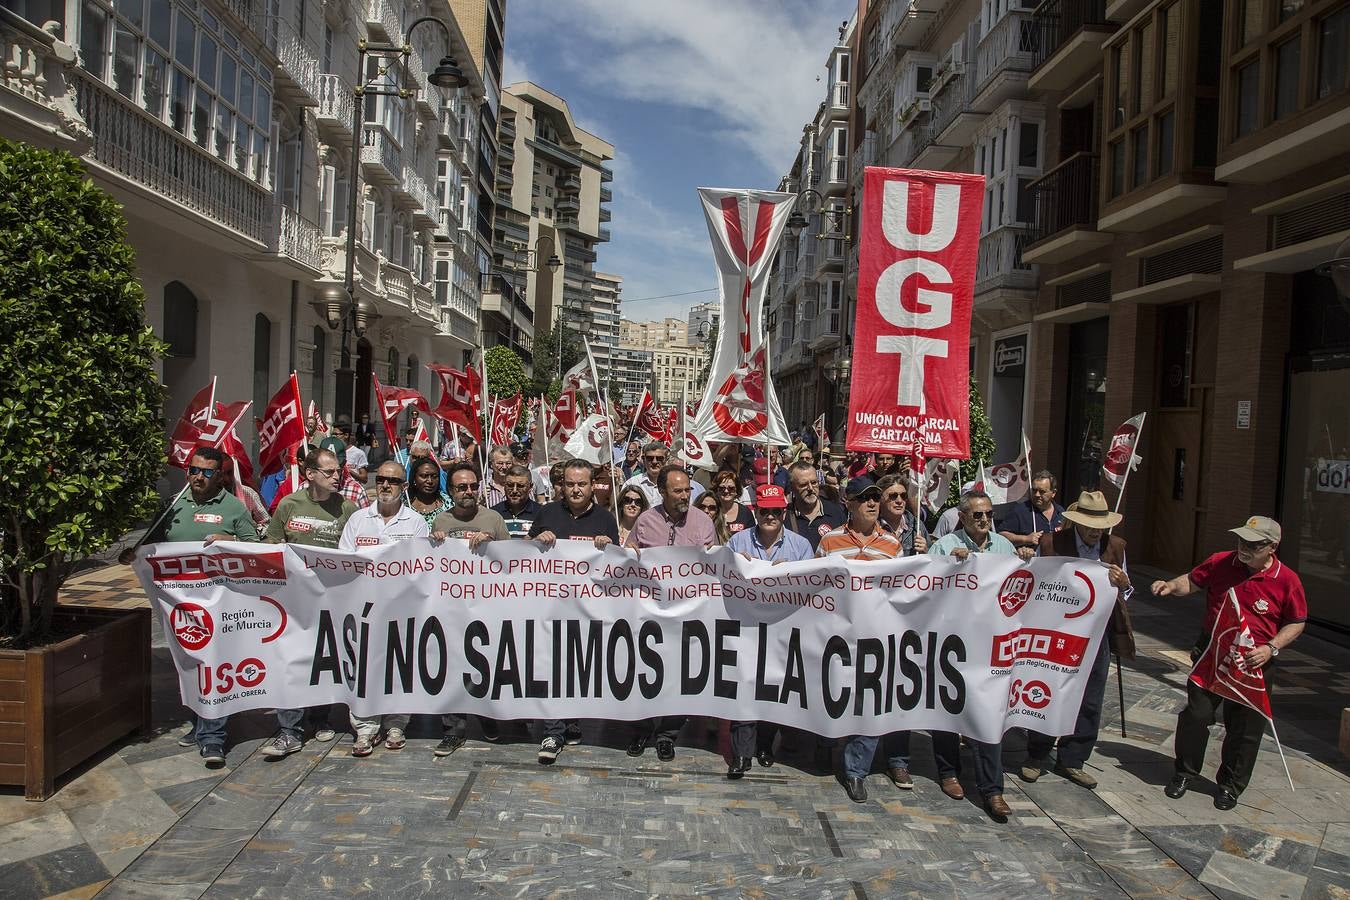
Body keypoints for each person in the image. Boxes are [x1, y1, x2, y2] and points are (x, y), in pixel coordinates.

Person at [1152, 516, 1307, 810]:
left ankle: (1230, 785)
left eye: (1253, 544)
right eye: (1241, 541)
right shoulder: (1222, 562)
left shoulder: (1287, 580)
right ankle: (1185, 772)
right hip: (1212, 652)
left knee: (1245, 727)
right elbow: (1192, 581)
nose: (1243, 548)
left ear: (1272, 547)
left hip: (1253, 660)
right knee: (1196, 715)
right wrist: (1170, 586)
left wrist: (1271, 648)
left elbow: (1297, 622)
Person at [120, 446, 259, 768]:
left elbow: (256, 546)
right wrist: (132, 555)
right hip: (181, 606)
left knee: (212, 663)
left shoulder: (234, 508)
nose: (199, 476)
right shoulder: (172, 505)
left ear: (219, 475)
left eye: (207, 472)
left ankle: (214, 738)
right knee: (190, 663)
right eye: (194, 470)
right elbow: (150, 544)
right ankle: (199, 722)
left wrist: (230, 539)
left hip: (219, 604)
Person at [929, 490, 1034, 822]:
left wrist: (1026, 559)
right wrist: (947, 566)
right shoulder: (944, 547)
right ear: (961, 518)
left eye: (989, 514)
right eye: (978, 515)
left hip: (990, 649)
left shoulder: (1003, 548)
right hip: (952, 645)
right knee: (948, 709)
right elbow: (925, 585)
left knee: (988, 716)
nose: (986, 520)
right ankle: (948, 771)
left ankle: (992, 789)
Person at [1022, 491, 1133, 789]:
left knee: (1090, 697)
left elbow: (1127, 591)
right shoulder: (1051, 543)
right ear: (1076, 522)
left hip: (1096, 634)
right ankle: (1037, 753)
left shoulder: (1116, 547)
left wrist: (1124, 585)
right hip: (1056, 630)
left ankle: (1073, 758)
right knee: (1048, 688)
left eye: (1100, 525)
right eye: (1089, 524)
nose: (1095, 531)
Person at [262, 447, 359, 758]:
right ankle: (289, 729)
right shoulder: (288, 506)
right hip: (291, 602)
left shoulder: (348, 508)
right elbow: (271, 547)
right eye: (329, 472)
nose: (337, 477)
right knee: (290, 662)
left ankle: (320, 719)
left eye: (338, 471)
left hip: (331, 601)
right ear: (310, 474)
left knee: (323, 660)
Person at [816, 475, 907, 802]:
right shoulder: (829, 543)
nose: (871, 503)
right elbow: (814, 586)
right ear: (849, 504)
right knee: (833, 698)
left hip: (875, 638)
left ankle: (856, 771)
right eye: (864, 498)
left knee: (869, 702)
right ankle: (825, 744)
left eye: (874, 498)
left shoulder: (893, 545)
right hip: (837, 637)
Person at [527, 458, 621, 765]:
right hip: (550, 609)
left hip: (588, 611)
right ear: (561, 486)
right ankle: (552, 732)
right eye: (570, 484)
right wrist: (536, 540)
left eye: (582, 484)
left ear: (593, 485)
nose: (576, 489)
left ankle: (571, 721)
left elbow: (615, 569)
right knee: (554, 670)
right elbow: (524, 557)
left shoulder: (606, 519)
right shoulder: (547, 513)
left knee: (578, 669)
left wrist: (609, 547)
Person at [625, 464, 716, 761]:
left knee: (678, 677)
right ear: (662, 491)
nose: (685, 495)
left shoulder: (703, 522)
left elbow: (715, 566)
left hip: (687, 615)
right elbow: (627, 559)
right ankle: (640, 729)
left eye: (687, 489)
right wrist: (631, 555)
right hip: (649, 614)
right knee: (644, 673)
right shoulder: (644, 521)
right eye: (677, 490)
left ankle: (667, 735)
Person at [339, 461, 428, 757]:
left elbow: (421, 568)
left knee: (399, 667)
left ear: (404, 486)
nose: (386, 485)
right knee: (365, 669)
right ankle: (365, 728)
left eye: (393, 481)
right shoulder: (358, 519)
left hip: (401, 611)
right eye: (381, 480)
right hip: (363, 609)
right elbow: (344, 562)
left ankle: (397, 724)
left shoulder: (415, 522)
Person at [725, 484, 814, 777]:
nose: (771, 516)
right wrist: (739, 568)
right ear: (756, 511)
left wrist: (792, 574)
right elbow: (720, 579)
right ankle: (742, 753)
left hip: (782, 628)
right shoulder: (737, 542)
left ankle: (765, 744)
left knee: (774, 687)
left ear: (784, 512)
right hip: (746, 626)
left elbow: (813, 588)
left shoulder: (800, 547)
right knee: (744, 687)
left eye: (777, 511)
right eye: (766, 511)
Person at [429, 462, 510, 754]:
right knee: (452, 670)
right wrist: (435, 544)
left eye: (473, 486)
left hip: (487, 609)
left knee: (485, 667)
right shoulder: (441, 522)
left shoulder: (493, 518)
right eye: (461, 487)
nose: (468, 492)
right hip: (452, 610)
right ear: (450, 491)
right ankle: (453, 729)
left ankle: (487, 717)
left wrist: (492, 544)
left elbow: (511, 563)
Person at [784, 460, 847, 552]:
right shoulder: (785, 516)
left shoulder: (835, 512)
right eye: (803, 485)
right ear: (792, 487)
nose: (810, 488)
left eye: (814, 483)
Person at [624, 440, 705, 506]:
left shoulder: (691, 486)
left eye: (659, 458)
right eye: (650, 458)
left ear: (666, 459)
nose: (654, 462)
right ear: (643, 459)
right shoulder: (632, 483)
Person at [999, 470, 1065, 551]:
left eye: (1042, 491)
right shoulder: (1020, 511)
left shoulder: (1061, 512)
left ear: (1053, 493)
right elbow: (1001, 536)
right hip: (1030, 561)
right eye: (1034, 490)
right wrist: (1025, 539)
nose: (1037, 494)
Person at [876, 473, 928, 555]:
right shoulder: (871, 527)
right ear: (879, 498)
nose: (899, 501)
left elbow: (933, 562)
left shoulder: (917, 526)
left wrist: (925, 551)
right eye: (893, 496)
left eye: (903, 496)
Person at [319, 437, 371, 509]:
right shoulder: (306, 488)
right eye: (328, 471)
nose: (335, 476)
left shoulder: (357, 491)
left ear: (344, 463)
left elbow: (365, 518)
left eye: (338, 470)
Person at [492, 464, 541, 537]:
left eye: (520, 486)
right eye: (510, 485)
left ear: (530, 487)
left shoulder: (541, 513)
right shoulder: (494, 513)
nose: (514, 490)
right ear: (504, 486)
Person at [407, 455, 453, 528]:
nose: (430, 481)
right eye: (424, 476)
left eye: (434, 476)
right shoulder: (404, 504)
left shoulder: (448, 503)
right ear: (414, 478)